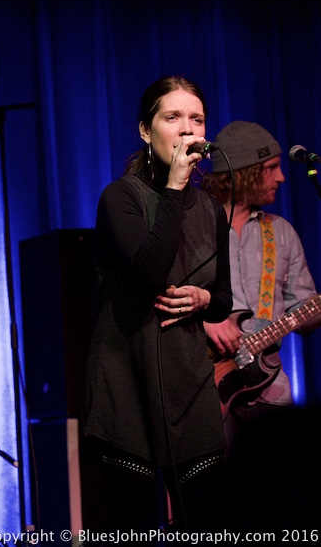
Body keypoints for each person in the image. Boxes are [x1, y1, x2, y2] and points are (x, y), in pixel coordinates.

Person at [82, 76, 232, 533]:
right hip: (126, 387)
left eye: (197, 119)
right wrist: (173, 187)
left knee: (207, 527)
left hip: (190, 389)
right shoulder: (121, 197)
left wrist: (206, 298)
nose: (188, 130)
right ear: (146, 131)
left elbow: (223, 300)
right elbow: (148, 273)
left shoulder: (211, 209)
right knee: (136, 531)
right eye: (173, 118)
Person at [202, 121, 320, 456]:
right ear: (243, 173)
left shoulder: (281, 233)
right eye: (270, 169)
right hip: (208, 393)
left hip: (271, 395)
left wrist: (312, 312)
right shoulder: (196, 229)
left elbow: (303, 311)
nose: (281, 177)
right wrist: (206, 321)